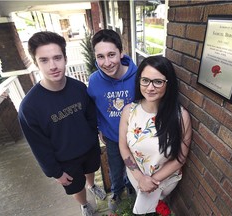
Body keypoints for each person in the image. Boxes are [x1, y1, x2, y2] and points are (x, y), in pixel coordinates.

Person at [18, 31, 106, 216]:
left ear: (65, 58)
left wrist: (94, 139)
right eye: (44, 60)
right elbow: (38, 146)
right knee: (76, 187)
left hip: (89, 149)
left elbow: (91, 118)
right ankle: (84, 205)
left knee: (90, 171)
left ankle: (92, 185)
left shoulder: (79, 88)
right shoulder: (29, 107)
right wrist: (55, 172)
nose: (53, 66)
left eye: (57, 58)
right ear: (36, 63)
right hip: (65, 160)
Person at [119, 56, 192, 214]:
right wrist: (140, 178)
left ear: (168, 83)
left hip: (165, 182)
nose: (150, 87)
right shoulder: (129, 111)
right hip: (136, 176)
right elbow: (123, 146)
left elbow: (180, 157)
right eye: (145, 80)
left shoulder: (180, 116)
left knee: (157, 207)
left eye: (158, 81)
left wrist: (152, 181)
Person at [87, 29, 137, 211]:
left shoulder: (138, 76)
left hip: (135, 137)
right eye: (100, 57)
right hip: (112, 138)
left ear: (121, 52)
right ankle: (116, 192)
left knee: (134, 168)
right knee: (115, 170)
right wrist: (99, 127)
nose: (106, 63)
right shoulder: (94, 81)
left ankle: (132, 188)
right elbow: (93, 107)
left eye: (111, 55)